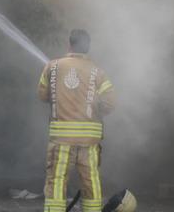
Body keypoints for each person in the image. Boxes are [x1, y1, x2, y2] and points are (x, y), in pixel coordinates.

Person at [38, 29, 115, 212]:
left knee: (56, 181)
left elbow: (42, 95)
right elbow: (110, 103)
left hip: (61, 139)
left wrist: (60, 97)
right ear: (88, 47)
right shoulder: (98, 72)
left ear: (69, 44)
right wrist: (93, 107)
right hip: (89, 141)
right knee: (91, 182)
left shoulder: (52, 66)